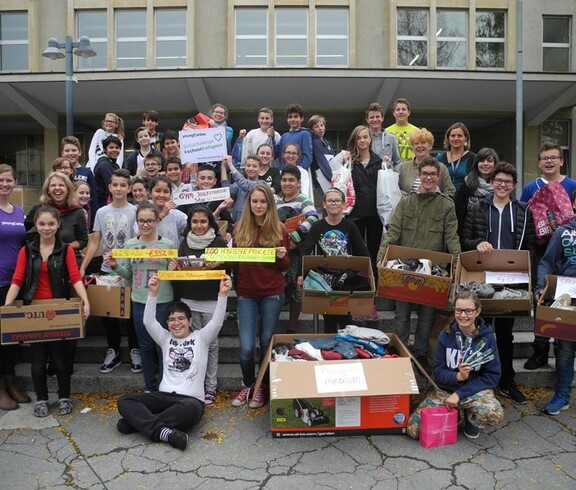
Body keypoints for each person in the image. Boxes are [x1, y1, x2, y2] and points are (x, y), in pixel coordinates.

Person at [116, 274, 232, 451]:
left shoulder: (201, 338)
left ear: (190, 321)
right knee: (125, 401)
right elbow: (148, 321)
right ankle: (165, 433)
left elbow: (216, 322)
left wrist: (222, 295)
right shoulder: (165, 338)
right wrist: (152, 293)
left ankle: (137, 424)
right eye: (171, 320)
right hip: (163, 397)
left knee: (191, 410)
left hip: (190, 401)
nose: (176, 323)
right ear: (167, 324)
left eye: (181, 319)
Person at [4, 205, 90, 417]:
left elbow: (74, 277)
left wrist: (85, 301)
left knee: (60, 358)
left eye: (51, 224)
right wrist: (6, 306)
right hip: (34, 309)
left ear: (58, 225)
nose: (46, 228)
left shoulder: (66, 249)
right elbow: (17, 279)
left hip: (59, 309)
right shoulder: (27, 250)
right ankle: (42, 398)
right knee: (38, 358)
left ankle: (64, 397)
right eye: (42, 224)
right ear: (36, 225)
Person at [377, 157, 461, 366]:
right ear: (419, 175)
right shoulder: (406, 202)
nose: (429, 177)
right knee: (402, 316)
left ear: (439, 176)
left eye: (433, 174)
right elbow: (393, 232)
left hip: (433, 272)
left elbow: (452, 237)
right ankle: (401, 352)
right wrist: (381, 257)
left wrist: (458, 265)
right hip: (405, 268)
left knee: (426, 317)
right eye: (425, 174)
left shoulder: (446, 206)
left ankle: (421, 354)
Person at [463, 162, 535, 404]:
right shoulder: (477, 208)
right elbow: (465, 239)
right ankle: (479, 378)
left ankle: (506, 381)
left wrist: (527, 278)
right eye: (499, 181)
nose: (503, 185)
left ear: (514, 186)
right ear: (492, 183)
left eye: (508, 182)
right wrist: (477, 244)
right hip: (483, 279)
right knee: (480, 331)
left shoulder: (524, 210)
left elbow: (531, 246)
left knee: (505, 334)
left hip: (511, 282)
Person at [406, 290, 504, 440]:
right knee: (414, 430)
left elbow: (492, 376)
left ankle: (472, 420)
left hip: (473, 391)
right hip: (445, 390)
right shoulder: (446, 335)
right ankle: (455, 413)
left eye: (468, 311)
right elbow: (438, 372)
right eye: (458, 310)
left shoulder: (487, 338)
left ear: (477, 311)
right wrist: (457, 376)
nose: (463, 315)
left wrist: (459, 394)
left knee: (493, 412)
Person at [105, 202, 174, 392]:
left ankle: (166, 385)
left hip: (162, 300)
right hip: (139, 301)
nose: (146, 224)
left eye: (150, 220)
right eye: (142, 221)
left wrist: (173, 270)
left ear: (157, 221)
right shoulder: (131, 244)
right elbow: (127, 274)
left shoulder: (167, 244)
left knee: (162, 344)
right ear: (136, 221)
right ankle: (150, 387)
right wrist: (114, 266)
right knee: (144, 345)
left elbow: (173, 275)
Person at [231, 185, 289, 409]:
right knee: (246, 346)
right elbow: (233, 263)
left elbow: (284, 266)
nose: (258, 205)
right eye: (254, 201)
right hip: (246, 293)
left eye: (263, 202)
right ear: (249, 204)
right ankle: (247, 383)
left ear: (270, 204)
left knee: (266, 342)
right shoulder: (239, 228)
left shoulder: (279, 227)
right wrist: (218, 257)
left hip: (272, 293)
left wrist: (282, 256)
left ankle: (261, 386)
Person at [520, 143, 576, 370]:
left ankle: (562, 347)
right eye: (545, 158)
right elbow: (524, 220)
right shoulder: (530, 188)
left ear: (562, 161)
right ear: (539, 162)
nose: (549, 161)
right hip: (542, 255)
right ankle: (540, 349)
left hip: (569, 255)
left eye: (554, 157)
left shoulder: (572, 185)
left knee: (567, 303)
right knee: (542, 301)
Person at [80, 169, 140, 375]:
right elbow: (95, 241)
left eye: (123, 185)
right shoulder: (101, 212)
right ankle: (113, 350)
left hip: (129, 271)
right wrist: (82, 267)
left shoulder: (135, 211)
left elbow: (136, 240)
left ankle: (135, 349)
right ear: (109, 187)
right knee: (109, 314)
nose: (119, 188)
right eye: (115, 185)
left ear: (129, 188)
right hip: (107, 270)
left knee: (132, 314)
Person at [171, 206, 228, 406]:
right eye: (194, 222)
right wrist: (175, 268)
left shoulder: (219, 242)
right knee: (194, 344)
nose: (199, 225)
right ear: (189, 224)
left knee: (211, 344)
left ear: (210, 223)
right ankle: (195, 385)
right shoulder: (184, 243)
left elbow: (229, 270)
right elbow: (178, 274)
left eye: (203, 221)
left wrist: (220, 263)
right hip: (189, 299)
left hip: (212, 300)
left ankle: (211, 387)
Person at [298, 188, 371, 333]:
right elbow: (306, 250)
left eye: (337, 201)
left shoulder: (349, 225)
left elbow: (362, 250)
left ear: (343, 204)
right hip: (325, 280)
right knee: (329, 321)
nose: (334, 204)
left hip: (345, 280)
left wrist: (370, 273)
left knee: (346, 321)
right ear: (324, 204)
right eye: (330, 201)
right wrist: (300, 274)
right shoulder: (318, 226)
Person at [534, 215, 576, 415]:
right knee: (565, 350)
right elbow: (547, 262)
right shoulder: (562, 232)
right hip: (567, 298)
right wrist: (541, 287)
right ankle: (562, 396)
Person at [0, 164, 30, 410]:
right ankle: (0, 387)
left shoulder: (18, 212)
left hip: (14, 283)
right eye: (1, 180)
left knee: (12, 337)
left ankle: (11, 382)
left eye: (8, 180)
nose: (5, 184)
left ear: (14, 182)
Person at [276, 166, 319, 333]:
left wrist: (296, 236)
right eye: (284, 180)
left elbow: (314, 217)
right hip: (281, 250)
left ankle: (292, 327)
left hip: (298, 250)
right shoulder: (277, 202)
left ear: (299, 183)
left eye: (291, 180)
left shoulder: (303, 199)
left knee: (297, 288)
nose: (287, 183)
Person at [25, 172, 88, 266]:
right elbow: (25, 234)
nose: (57, 188)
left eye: (61, 185)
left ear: (68, 190)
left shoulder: (78, 212)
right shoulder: (38, 210)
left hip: (67, 262)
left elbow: (83, 241)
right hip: (40, 262)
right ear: (48, 190)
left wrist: (63, 248)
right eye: (53, 185)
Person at [346, 125, 383, 280]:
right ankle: (357, 282)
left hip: (375, 213)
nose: (362, 140)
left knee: (374, 250)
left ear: (370, 139)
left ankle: (374, 283)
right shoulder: (349, 162)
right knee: (357, 250)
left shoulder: (380, 162)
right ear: (355, 141)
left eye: (365, 137)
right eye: (359, 138)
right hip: (355, 214)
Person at [455, 147, 499, 245]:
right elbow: (459, 215)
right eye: (482, 160)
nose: (485, 164)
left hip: (495, 238)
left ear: (495, 164)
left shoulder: (500, 187)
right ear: (476, 163)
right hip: (470, 241)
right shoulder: (467, 185)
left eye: (489, 160)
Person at [397, 128, 455, 199]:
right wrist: (409, 199)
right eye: (416, 143)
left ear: (430, 146)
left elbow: (450, 192)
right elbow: (395, 190)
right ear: (412, 147)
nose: (419, 146)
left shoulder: (441, 168)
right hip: (408, 209)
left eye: (423, 142)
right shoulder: (403, 168)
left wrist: (436, 198)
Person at [62, 136, 98, 226]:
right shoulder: (59, 173)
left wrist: (93, 223)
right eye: (67, 151)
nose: (70, 153)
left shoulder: (87, 172)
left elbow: (94, 199)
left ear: (80, 152)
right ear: (62, 153)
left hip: (83, 219)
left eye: (74, 150)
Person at [221, 155, 267, 222]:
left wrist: (230, 164)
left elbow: (245, 185)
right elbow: (226, 191)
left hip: (254, 223)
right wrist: (223, 166)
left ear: (260, 168)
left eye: (254, 166)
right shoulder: (238, 184)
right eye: (248, 165)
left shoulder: (262, 184)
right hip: (238, 225)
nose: (251, 168)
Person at [436, 122, 477, 194]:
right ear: (448, 138)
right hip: (444, 200)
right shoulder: (439, 159)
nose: (456, 138)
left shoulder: (473, 158)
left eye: (460, 136)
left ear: (465, 138)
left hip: (465, 202)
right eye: (453, 136)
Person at [149, 175, 187, 248]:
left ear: (170, 195)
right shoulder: (144, 213)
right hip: (150, 257)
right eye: (158, 191)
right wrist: (162, 214)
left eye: (166, 192)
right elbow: (139, 233)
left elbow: (192, 228)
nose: (162, 195)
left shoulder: (177, 215)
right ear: (150, 193)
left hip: (172, 257)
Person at [364, 102, 401, 170]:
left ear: (382, 118)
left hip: (386, 178)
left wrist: (393, 173)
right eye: (372, 117)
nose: (375, 120)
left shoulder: (391, 138)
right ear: (367, 120)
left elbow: (398, 161)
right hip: (368, 178)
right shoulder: (363, 139)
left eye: (377, 117)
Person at [275, 103, 313, 170]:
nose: (293, 119)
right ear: (287, 119)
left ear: (301, 118)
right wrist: (271, 137)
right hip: (283, 174)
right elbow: (275, 154)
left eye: (295, 116)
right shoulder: (284, 136)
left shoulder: (305, 134)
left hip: (298, 175)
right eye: (290, 117)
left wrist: (299, 172)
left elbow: (308, 157)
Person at [93, 135, 122, 208]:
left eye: (117, 148)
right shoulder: (104, 164)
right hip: (104, 204)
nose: (114, 150)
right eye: (111, 147)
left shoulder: (114, 164)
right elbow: (111, 187)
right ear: (105, 149)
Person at [308, 114, 335, 191]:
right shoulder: (315, 142)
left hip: (332, 177)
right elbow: (322, 162)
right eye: (316, 126)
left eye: (321, 125)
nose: (320, 128)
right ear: (312, 130)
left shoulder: (328, 143)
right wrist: (332, 178)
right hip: (322, 180)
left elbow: (334, 160)